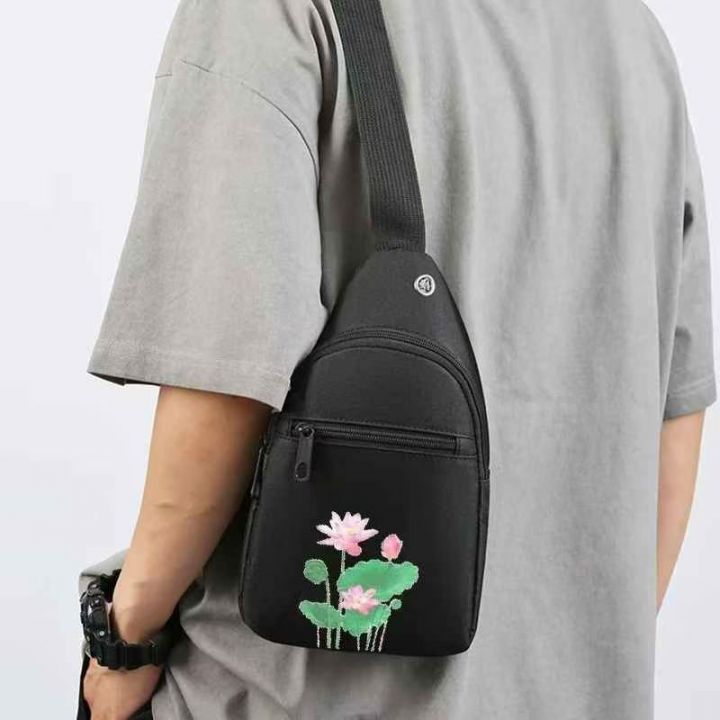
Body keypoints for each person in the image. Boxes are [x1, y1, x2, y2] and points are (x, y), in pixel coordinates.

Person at [78, 0, 716, 718]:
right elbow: (675, 408)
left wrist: (124, 639)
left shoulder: (269, 13)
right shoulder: (634, 38)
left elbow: (222, 384)